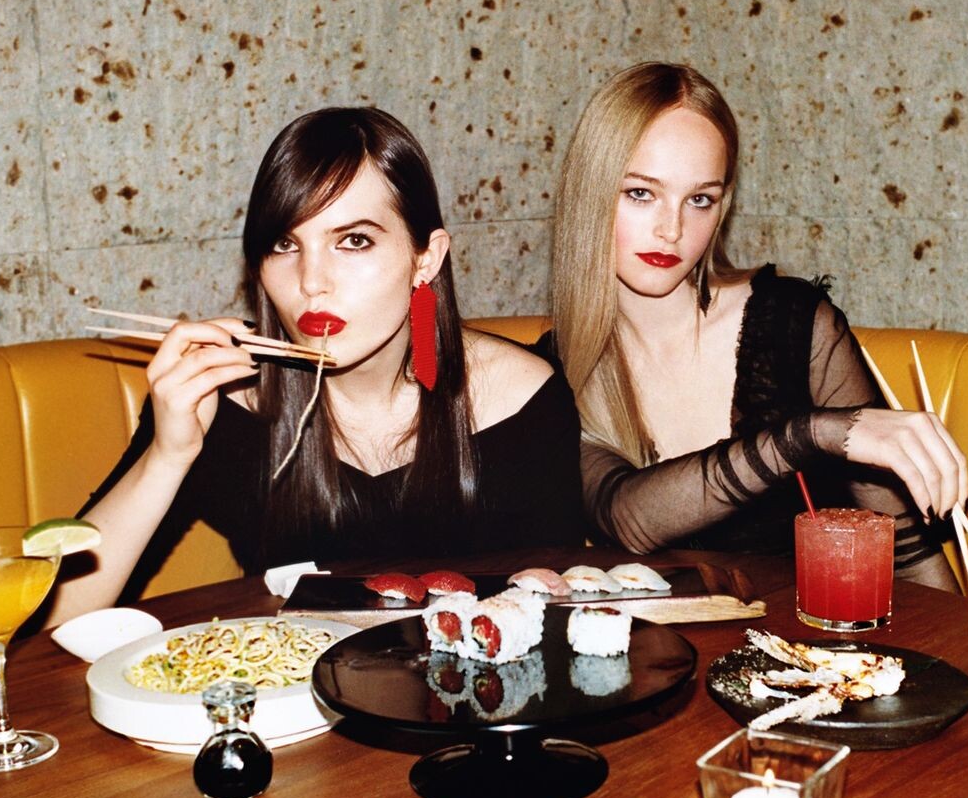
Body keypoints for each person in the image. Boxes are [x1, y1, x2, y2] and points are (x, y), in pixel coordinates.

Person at [54, 106, 587, 621]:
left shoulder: (523, 400)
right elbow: (58, 615)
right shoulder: (226, 397)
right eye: (285, 244)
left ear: (426, 258)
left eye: (353, 241)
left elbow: (555, 603)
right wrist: (168, 455)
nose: (311, 282)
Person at [545, 62, 965, 589]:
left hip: (814, 640)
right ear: (590, 192)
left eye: (699, 199)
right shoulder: (555, 372)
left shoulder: (791, 327)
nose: (672, 229)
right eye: (641, 193)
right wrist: (808, 435)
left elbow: (905, 551)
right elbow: (627, 515)